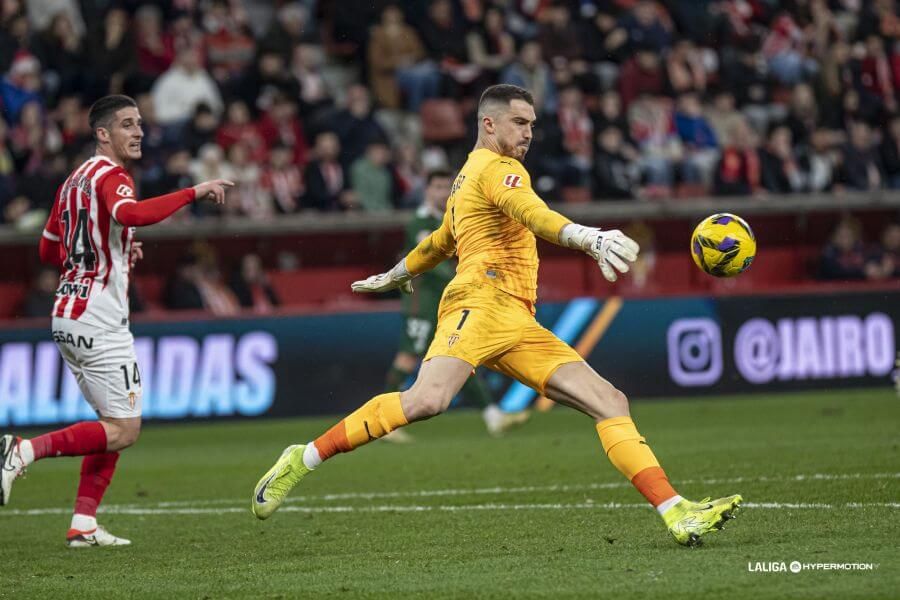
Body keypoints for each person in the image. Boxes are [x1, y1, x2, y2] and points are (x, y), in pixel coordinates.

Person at [251, 85, 742, 547]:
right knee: (427, 401)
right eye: (519, 122)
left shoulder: (467, 175)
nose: (528, 133)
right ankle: (304, 457)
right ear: (489, 123)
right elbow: (532, 212)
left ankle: (677, 511)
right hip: (478, 305)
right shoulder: (497, 170)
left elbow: (443, 238)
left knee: (610, 401)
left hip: (517, 320)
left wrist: (398, 272)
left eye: (532, 124)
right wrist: (587, 237)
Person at [0, 94, 232, 547]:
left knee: (111, 426)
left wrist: (112, 245)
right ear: (103, 134)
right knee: (125, 429)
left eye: (140, 123)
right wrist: (194, 191)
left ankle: (83, 523)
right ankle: (22, 451)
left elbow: (49, 251)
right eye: (127, 124)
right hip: (98, 319)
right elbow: (132, 213)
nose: (139, 131)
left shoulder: (72, 182)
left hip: (67, 315)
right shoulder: (112, 175)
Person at [382, 169, 521, 440]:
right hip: (421, 302)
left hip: (445, 302)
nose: (443, 193)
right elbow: (431, 262)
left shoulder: (452, 218)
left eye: (447, 187)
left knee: (457, 356)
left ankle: (492, 415)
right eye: (437, 187)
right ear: (427, 191)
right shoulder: (420, 222)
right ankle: (387, 424)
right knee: (408, 357)